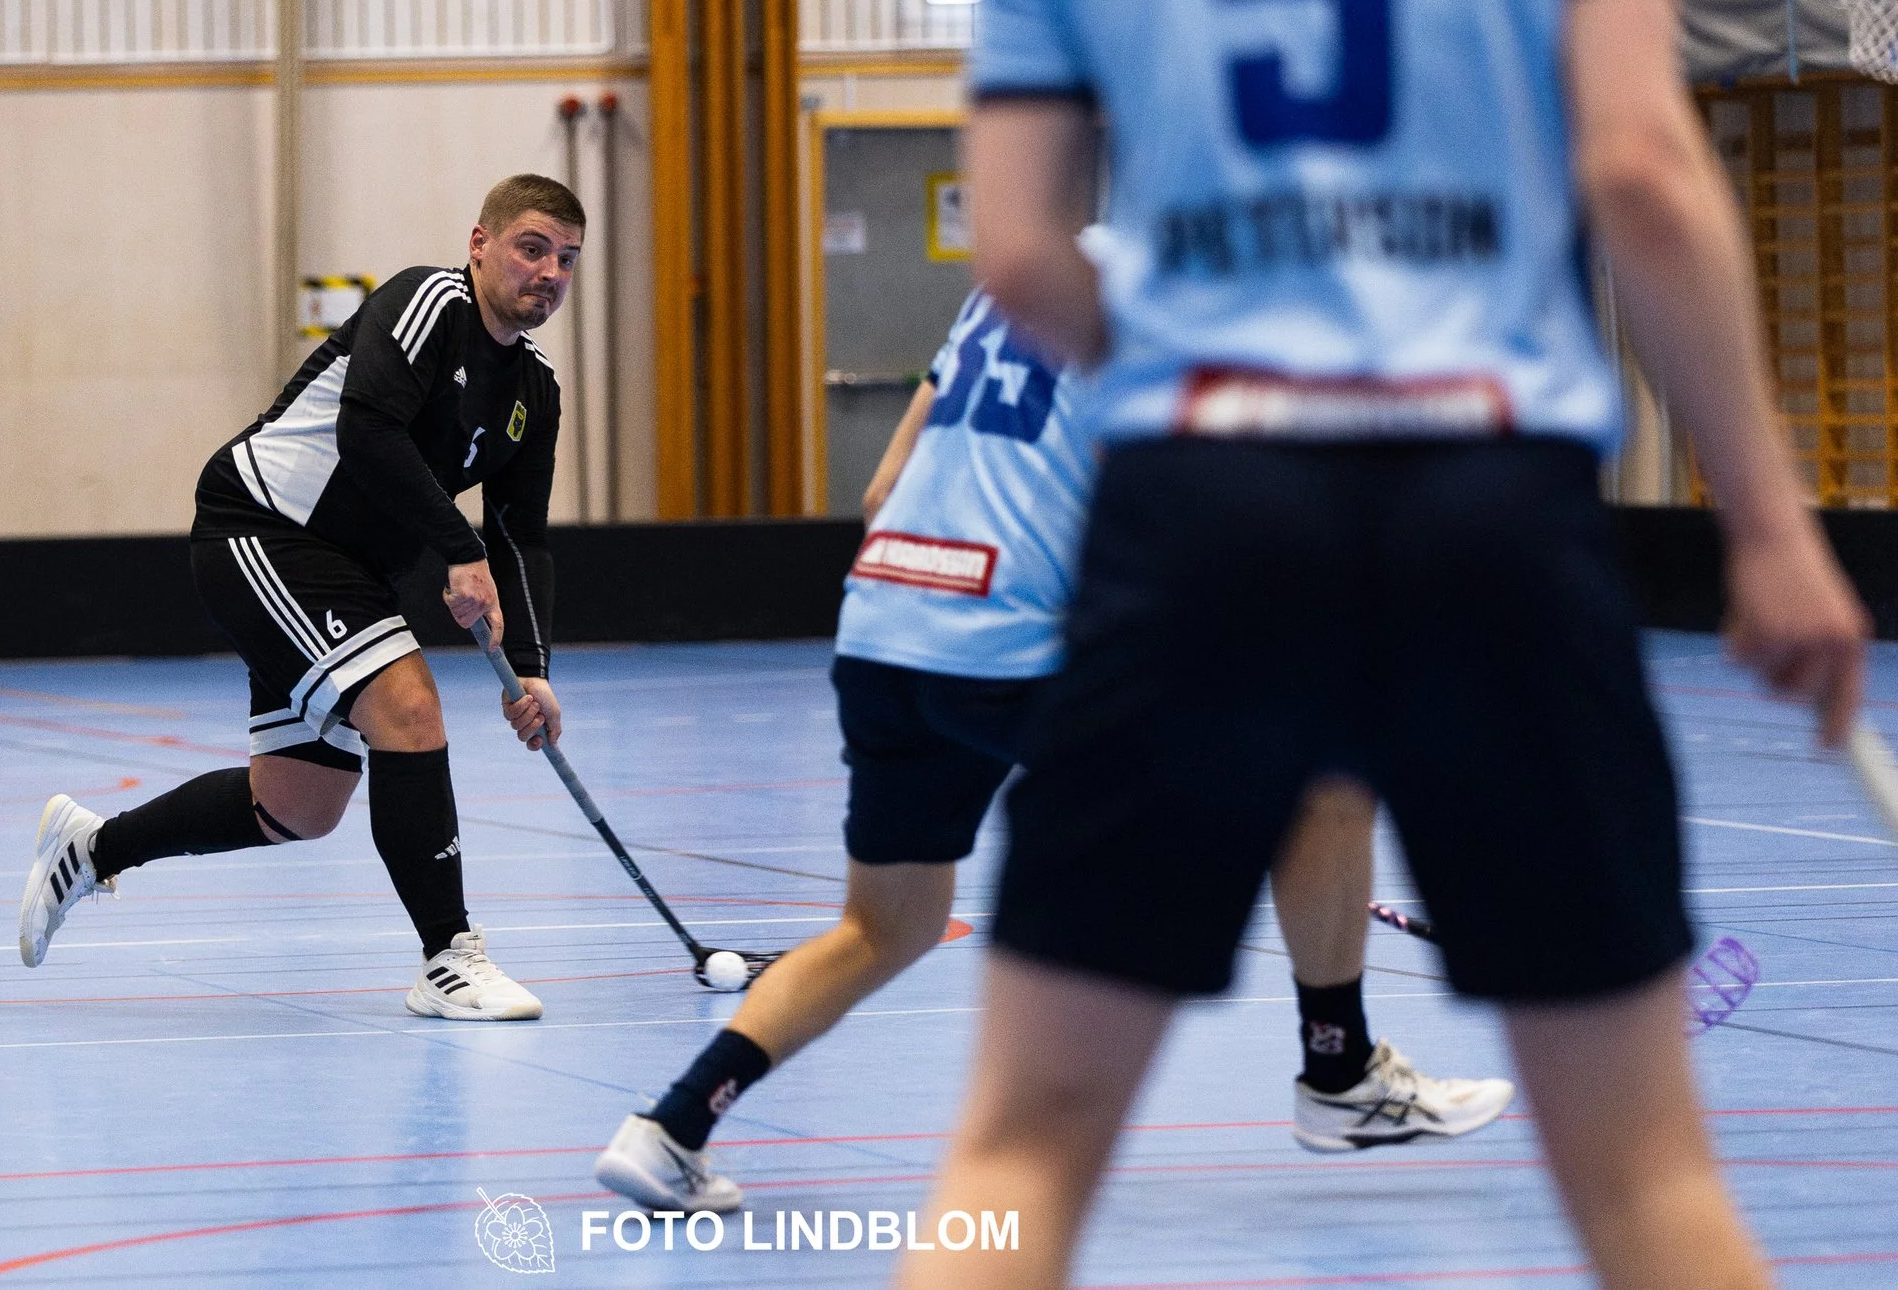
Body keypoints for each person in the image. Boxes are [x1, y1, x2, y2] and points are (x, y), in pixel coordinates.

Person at [903, 0, 1870, 1287]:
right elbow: (1641, 170)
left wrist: (1210, 384)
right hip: (1485, 501)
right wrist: (1772, 524)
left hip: (1203, 511)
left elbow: (1014, 248)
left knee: (1015, 1156)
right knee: (1646, 1178)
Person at [592, 286, 1512, 1214]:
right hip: (1003, 643)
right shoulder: (1175, 294)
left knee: (885, 927)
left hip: (884, 626)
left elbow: (881, 492)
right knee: (1323, 786)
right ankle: (1339, 1071)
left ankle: (669, 1127)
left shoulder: (1005, 287)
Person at [15, 173, 585, 1023]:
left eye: (567, 259)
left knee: (295, 804)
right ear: (481, 244)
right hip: (263, 526)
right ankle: (448, 958)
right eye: (531, 247)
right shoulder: (428, 301)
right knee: (408, 705)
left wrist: (534, 669)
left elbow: (521, 535)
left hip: (345, 567)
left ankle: (93, 849)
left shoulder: (533, 393)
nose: (548, 272)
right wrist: (457, 551)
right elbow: (368, 430)